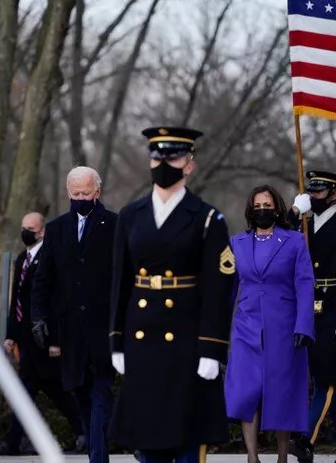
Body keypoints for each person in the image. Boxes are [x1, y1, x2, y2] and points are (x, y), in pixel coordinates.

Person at [108, 127, 235, 463]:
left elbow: (217, 290)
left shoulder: (207, 218)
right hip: (142, 342)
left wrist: (211, 348)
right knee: (147, 444)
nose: (164, 163)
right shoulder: (130, 216)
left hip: (186, 343)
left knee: (186, 442)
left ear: (189, 164)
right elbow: (120, 283)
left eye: (174, 156)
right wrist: (116, 340)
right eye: (157, 156)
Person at [31, 166, 117, 463]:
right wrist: (38, 317)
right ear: (69, 193)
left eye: (87, 193)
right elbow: (43, 278)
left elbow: (123, 278)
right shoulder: (56, 229)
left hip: (104, 329)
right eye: (76, 193)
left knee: (101, 394)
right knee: (80, 393)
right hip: (69, 331)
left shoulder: (115, 225)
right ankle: (118, 442)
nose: (81, 198)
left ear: (98, 192)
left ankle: (98, 457)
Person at [225, 185, 315, 463]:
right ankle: (252, 456)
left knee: (282, 393)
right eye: (257, 205)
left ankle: (282, 456)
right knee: (246, 391)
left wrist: (303, 326)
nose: (262, 210)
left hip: (284, 328)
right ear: (250, 210)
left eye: (267, 205)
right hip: (246, 327)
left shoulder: (294, 241)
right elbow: (226, 288)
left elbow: (305, 285)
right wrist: (214, 331)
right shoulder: (236, 243)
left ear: (277, 208)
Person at [0, 212, 85, 456]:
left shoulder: (53, 259)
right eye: (23, 227)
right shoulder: (22, 259)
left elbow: (58, 303)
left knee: (57, 391)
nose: (25, 232)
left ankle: (86, 432)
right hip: (28, 340)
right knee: (28, 392)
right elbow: (18, 300)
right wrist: (11, 334)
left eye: (30, 228)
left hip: (46, 339)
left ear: (42, 231)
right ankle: (13, 441)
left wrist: (55, 340)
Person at [287, 172, 336, 463]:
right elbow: (275, 237)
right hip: (306, 308)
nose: (314, 196)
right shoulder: (301, 225)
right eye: (311, 191)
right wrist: (294, 212)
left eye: (319, 192)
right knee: (331, 380)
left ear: (334, 194)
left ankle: (305, 438)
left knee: (328, 378)